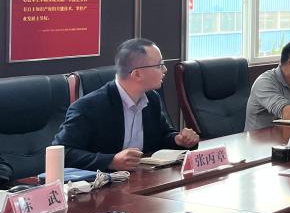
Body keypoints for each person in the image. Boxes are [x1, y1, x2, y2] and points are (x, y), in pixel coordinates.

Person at [52, 38, 200, 171]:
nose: (165, 70)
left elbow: (162, 136)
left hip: (141, 180)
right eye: (159, 65)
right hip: (103, 185)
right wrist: (111, 161)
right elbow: (62, 153)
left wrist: (178, 139)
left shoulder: (151, 99)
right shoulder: (89, 107)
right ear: (137, 74)